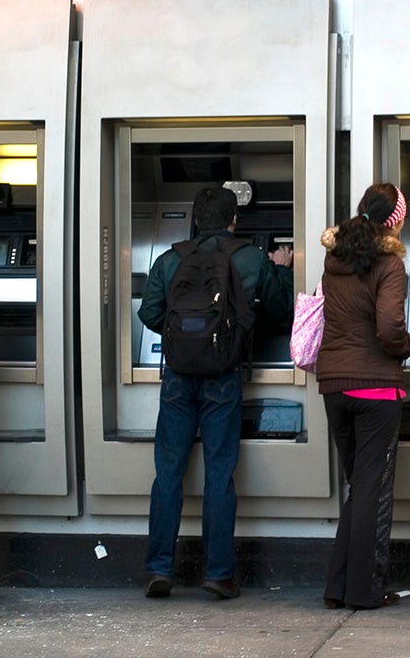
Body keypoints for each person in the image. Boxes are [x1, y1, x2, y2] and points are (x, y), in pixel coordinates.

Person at [137, 186, 294, 600]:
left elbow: (149, 312)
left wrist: (184, 340)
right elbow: (282, 309)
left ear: (194, 218)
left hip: (177, 377)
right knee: (219, 473)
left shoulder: (170, 258)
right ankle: (219, 573)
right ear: (233, 220)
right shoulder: (251, 258)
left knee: (168, 472)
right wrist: (281, 269)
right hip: (223, 375)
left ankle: (158, 569)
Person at [316, 182, 410, 610]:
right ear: (396, 220)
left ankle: (338, 587)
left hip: (335, 385)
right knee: (373, 492)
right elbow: (389, 328)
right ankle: (366, 591)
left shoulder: (332, 259)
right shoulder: (390, 264)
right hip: (375, 388)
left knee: (359, 487)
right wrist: (407, 346)